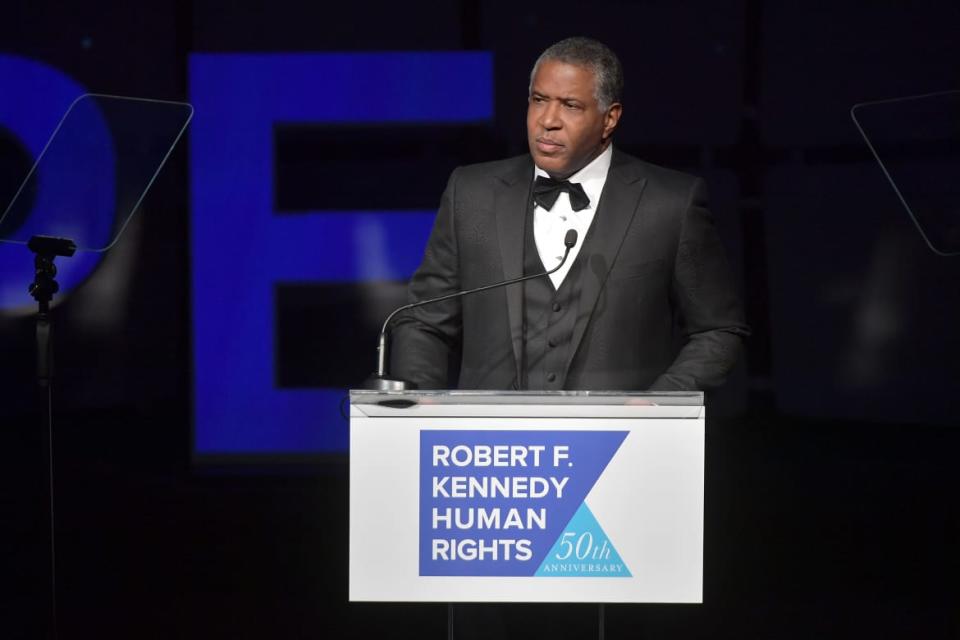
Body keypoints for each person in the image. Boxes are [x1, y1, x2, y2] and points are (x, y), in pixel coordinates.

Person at [391, 36, 749, 394]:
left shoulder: (670, 203)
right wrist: (421, 404)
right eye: (539, 100)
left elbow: (718, 330)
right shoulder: (471, 192)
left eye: (571, 106)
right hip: (491, 443)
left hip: (620, 443)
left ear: (609, 119)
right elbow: (424, 321)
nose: (548, 120)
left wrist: (657, 408)